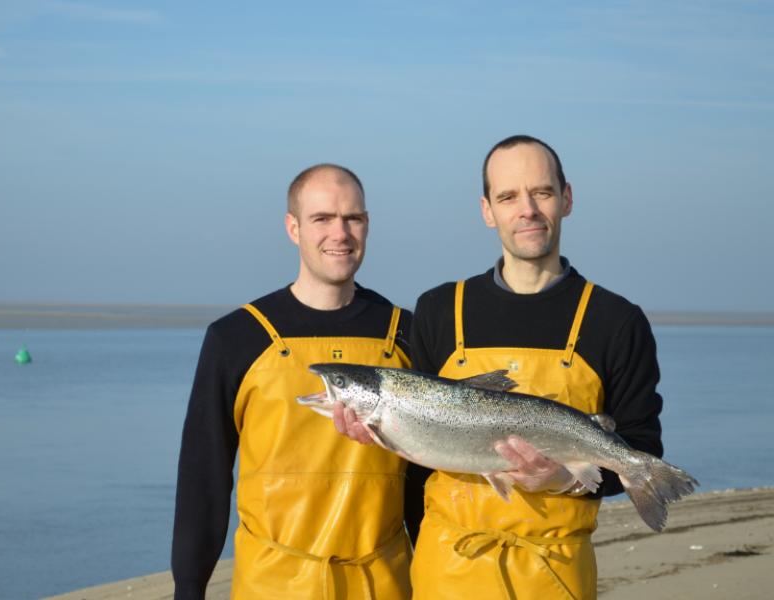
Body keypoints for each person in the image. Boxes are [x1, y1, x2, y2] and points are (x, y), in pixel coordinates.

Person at [336, 135, 664, 599]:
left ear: (566, 199)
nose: (526, 209)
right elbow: (418, 467)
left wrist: (563, 481)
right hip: (446, 572)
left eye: (542, 193)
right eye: (508, 196)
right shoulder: (438, 309)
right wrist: (379, 437)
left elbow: (640, 447)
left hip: (555, 576)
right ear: (487, 210)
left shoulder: (616, 321)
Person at [171, 164, 420, 600]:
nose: (339, 233)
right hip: (271, 584)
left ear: (367, 226)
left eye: (353, 219)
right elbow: (203, 476)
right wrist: (190, 587)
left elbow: (425, 477)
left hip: (383, 583)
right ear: (293, 228)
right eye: (322, 219)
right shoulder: (237, 337)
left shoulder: (406, 335)